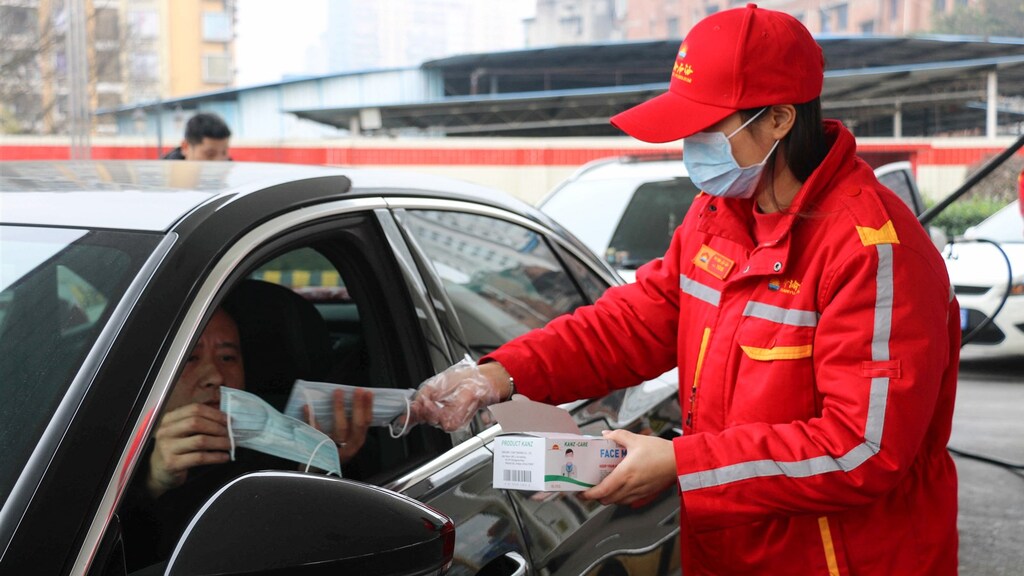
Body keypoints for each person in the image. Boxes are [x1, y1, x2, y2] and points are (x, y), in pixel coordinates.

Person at [413, 4, 959, 575]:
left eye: (707, 128)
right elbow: (634, 323)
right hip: (729, 551)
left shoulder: (872, 250)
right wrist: (499, 374)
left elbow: (861, 449)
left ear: (778, 119)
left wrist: (683, 463)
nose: (689, 144)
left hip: (844, 560)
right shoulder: (716, 217)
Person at [121, 307, 372, 571]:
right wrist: (152, 485)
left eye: (227, 357)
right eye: (190, 358)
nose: (215, 377)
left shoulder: (288, 451)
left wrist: (319, 467)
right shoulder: (113, 455)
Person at [162, 112, 232, 161]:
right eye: (210, 154)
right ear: (185, 147)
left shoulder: (231, 169)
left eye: (224, 152)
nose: (219, 161)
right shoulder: (163, 175)